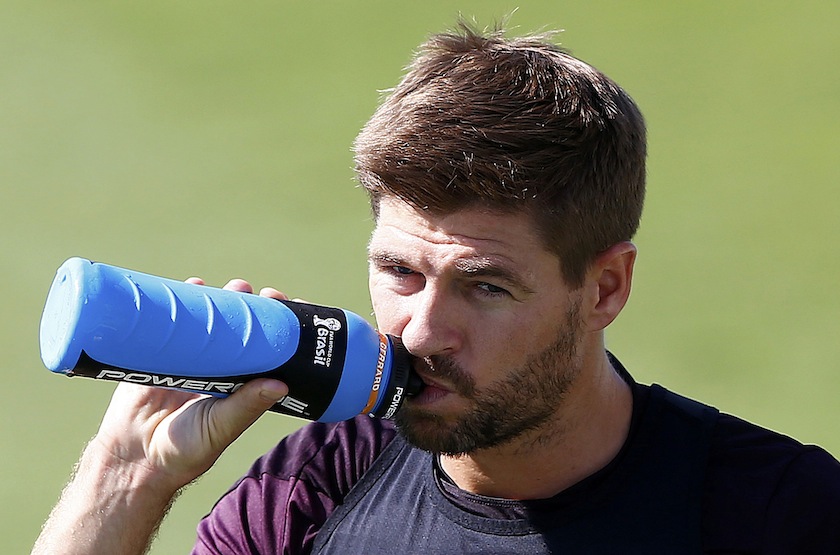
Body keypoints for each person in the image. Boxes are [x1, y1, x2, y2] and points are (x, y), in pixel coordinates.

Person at [33, 24, 840, 554]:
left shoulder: (778, 514)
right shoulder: (311, 491)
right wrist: (127, 472)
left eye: (485, 286)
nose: (421, 331)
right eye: (399, 272)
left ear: (604, 288)